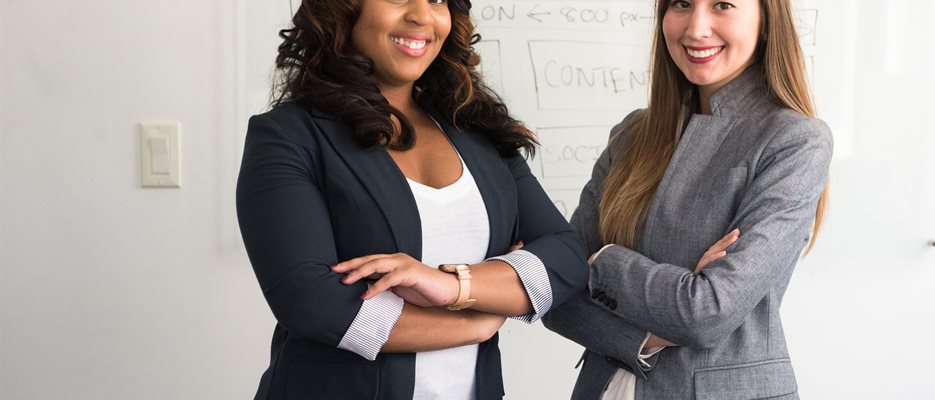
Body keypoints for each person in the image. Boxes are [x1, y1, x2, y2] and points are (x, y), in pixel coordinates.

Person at [235, 0, 588, 398]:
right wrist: (478, 320)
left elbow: (565, 257)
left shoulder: (478, 132)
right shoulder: (289, 137)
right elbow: (313, 302)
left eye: (438, 0)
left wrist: (451, 287)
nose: (422, 15)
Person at [542, 0, 833, 398]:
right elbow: (556, 294)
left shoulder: (794, 141)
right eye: (681, 3)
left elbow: (707, 311)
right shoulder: (631, 135)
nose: (696, 28)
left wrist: (600, 259)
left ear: (767, 21)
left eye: (723, 5)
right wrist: (648, 336)